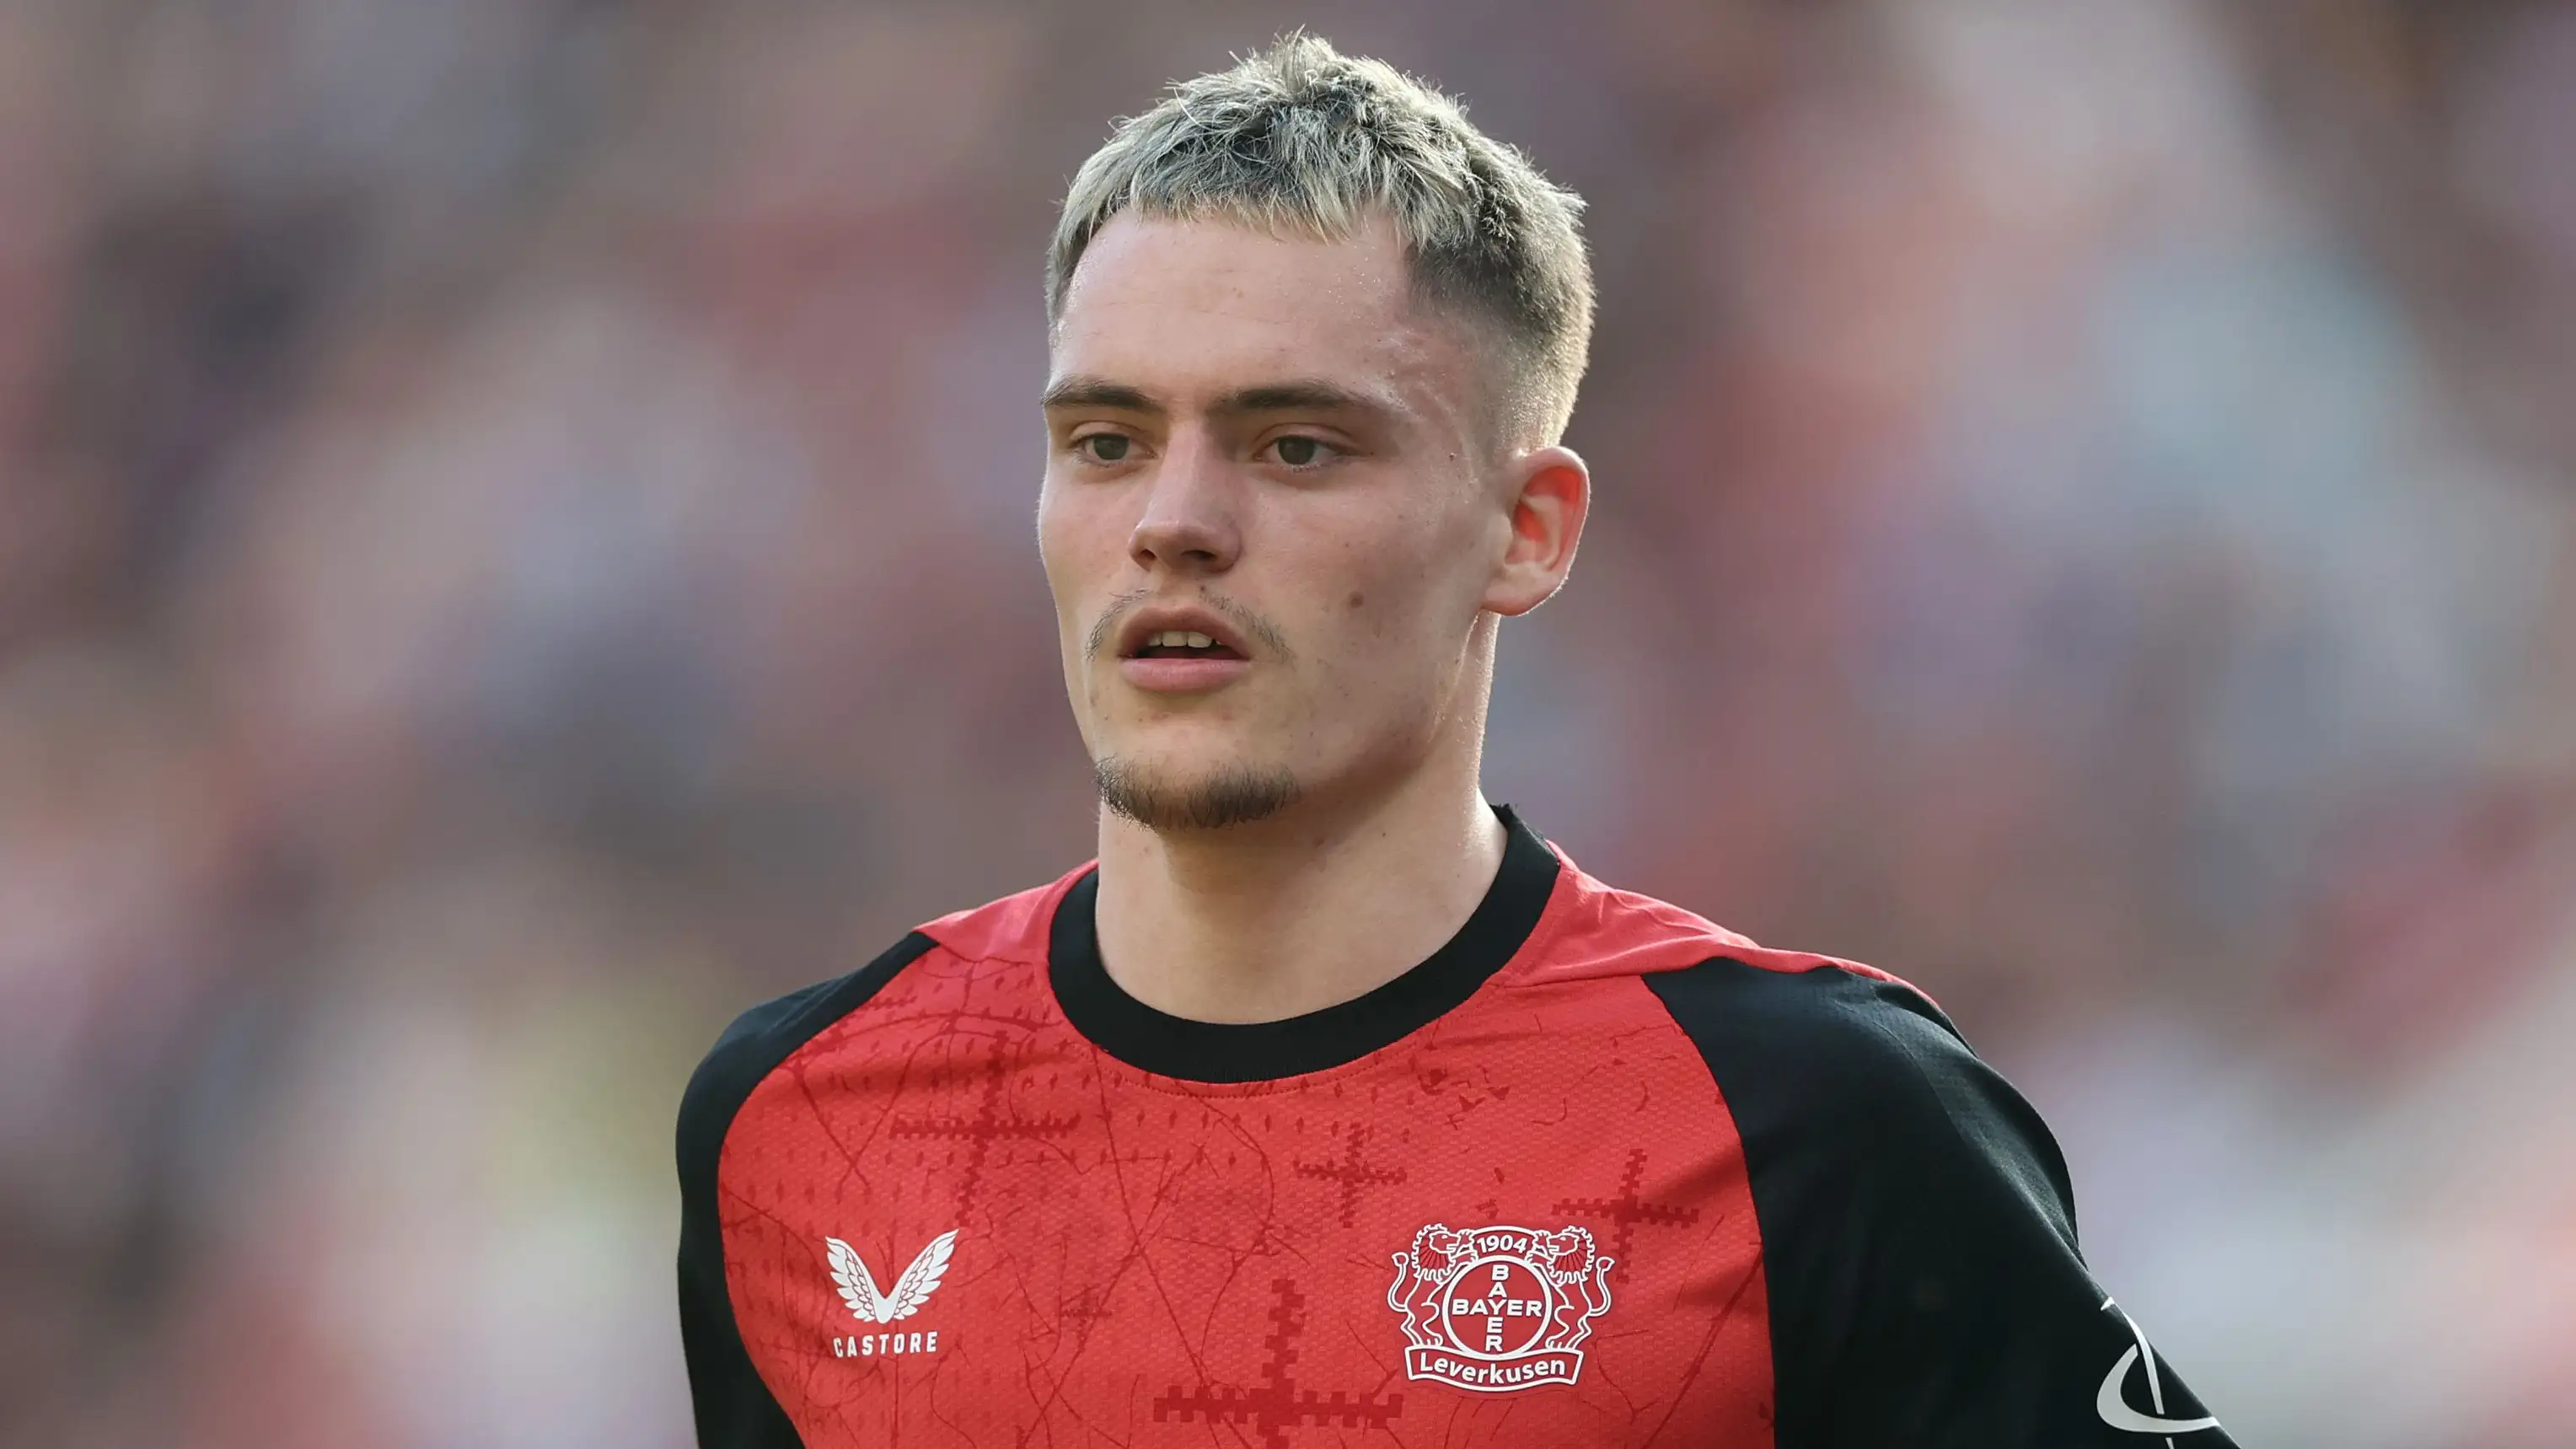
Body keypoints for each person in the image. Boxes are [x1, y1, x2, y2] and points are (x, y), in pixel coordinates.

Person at [677, 33, 2233, 1448]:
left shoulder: (1815, 1121)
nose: (1174, 522)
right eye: (1107, 441)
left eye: (1297, 446)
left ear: (1526, 529)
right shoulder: (799, 1116)